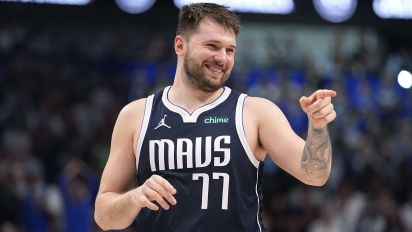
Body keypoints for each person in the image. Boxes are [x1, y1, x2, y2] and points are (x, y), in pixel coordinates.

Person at [94, 3, 337, 232]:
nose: (223, 58)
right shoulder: (136, 115)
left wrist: (317, 127)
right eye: (212, 46)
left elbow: (315, 175)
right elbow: (104, 216)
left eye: (230, 50)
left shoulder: (255, 112)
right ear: (180, 46)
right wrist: (134, 197)